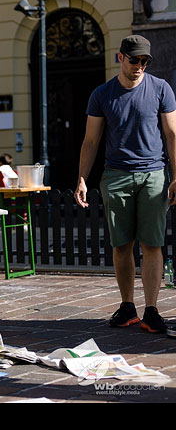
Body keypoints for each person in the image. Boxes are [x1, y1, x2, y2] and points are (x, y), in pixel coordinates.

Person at [75, 35, 176, 334]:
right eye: (134, 60)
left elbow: (172, 135)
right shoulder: (102, 94)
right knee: (122, 245)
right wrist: (82, 178)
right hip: (116, 175)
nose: (139, 66)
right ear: (120, 58)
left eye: (144, 61)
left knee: (153, 244)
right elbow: (91, 141)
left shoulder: (160, 89)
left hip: (153, 174)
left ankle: (152, 311)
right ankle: (127, 307)